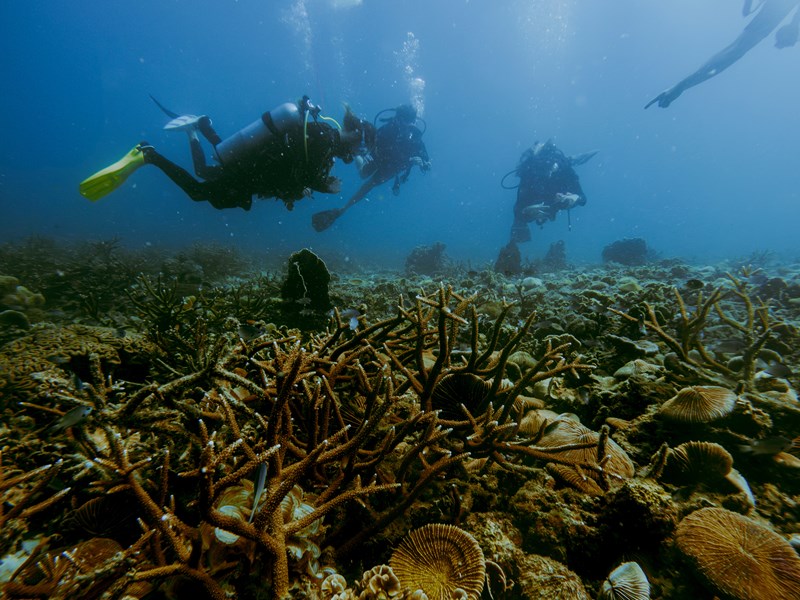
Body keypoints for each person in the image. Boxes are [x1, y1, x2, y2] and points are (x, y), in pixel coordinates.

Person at [79, 96, 369, 211]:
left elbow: (293, 162)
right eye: (362, 146)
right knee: (198, 190)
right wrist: (321, 186)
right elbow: (299, 170)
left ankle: (199, 127)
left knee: (209, 169)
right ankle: (149, 154)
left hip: (255, 171)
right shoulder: (324, 137)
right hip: (253, 173)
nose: (358, 153)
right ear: (357, 136)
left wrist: (310, 184)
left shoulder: (323, 135)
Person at [646, 0, 800, 109]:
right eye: (788, 41)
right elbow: (733, 52)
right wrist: (680, 86)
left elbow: (734, 52)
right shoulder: (779, 8)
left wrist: (680, 86)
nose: (780, 44)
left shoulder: (779, 9)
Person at [311, 104, 431, 231]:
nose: (405, 125)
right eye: (402, 120)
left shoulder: (416, 136)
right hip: (379, 156)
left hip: (394, 166)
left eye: (409, 122)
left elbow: (426, 161)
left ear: (413, 121)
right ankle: (356, 156)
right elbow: (374, 142)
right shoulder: (388, 128)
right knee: (363, 174)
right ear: (397, 118)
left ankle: (342, 210)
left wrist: (422, 163)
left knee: (369, 184)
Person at [494, 141, 595, 274]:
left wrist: (574, 199)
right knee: (518, 229)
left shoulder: (565, 171)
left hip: (556, 203)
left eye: (550, 169)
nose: (547, 175)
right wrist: (527, 211)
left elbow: (583, 198)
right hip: (533, 206)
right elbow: (518, 209)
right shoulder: (529, 174)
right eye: (542, 170)